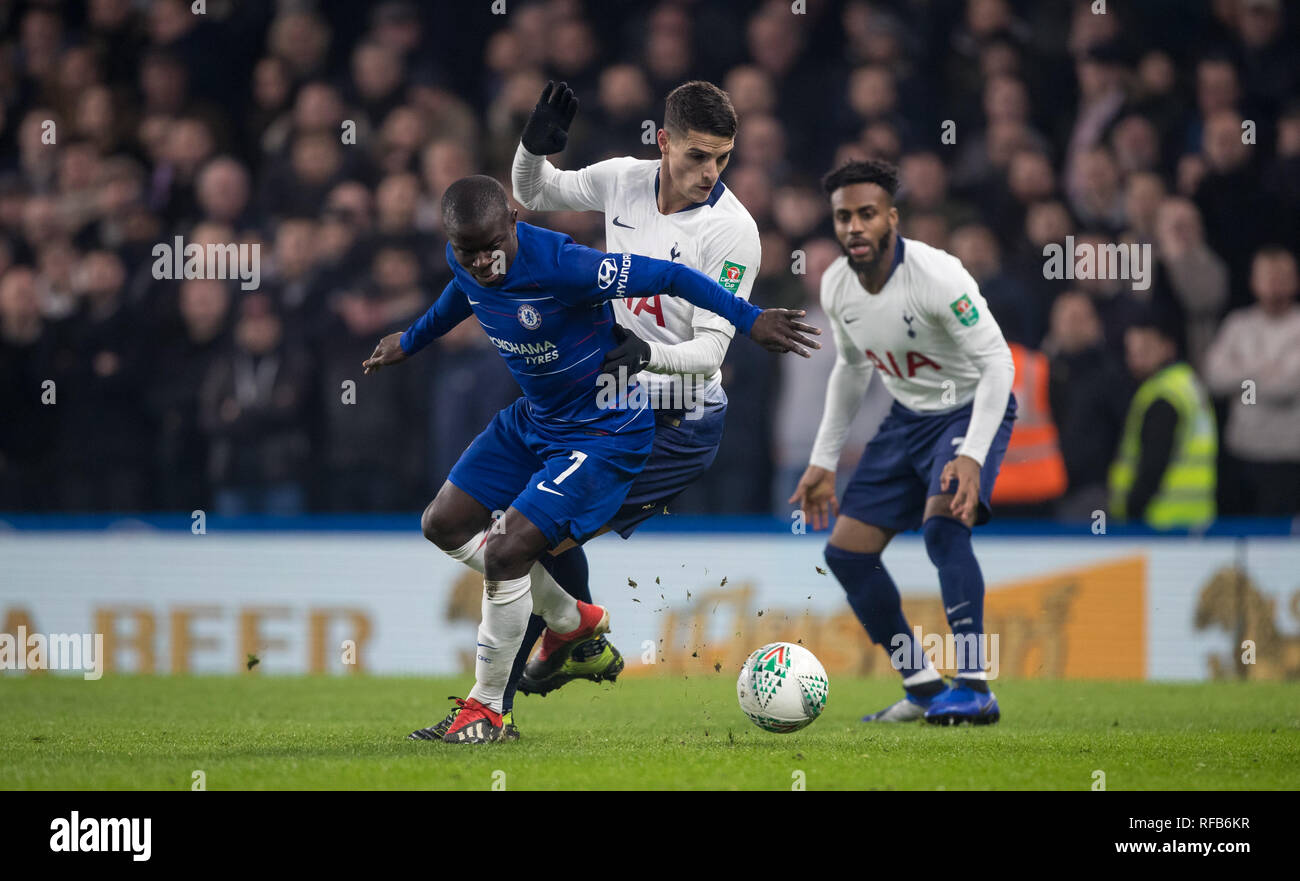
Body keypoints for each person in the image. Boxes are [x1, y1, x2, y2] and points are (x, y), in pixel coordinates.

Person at [362, 175, 815, 743]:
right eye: (466, 252)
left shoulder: (566, 265)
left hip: (602, 429)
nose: (482, 264)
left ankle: (487, 711)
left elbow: (671, 275)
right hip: (534, 419)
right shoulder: (468, 261)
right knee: (442, 523)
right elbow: (462, 295)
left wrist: (750, 321)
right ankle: (575, 620)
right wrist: (410, 340)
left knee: (510, 550)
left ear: (514, 224)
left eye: (491, 249)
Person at [494, 80, 764, 720]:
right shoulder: (623, 179)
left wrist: (645, 356)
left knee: (528, 535)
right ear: (663, 141)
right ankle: (577, 637)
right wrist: (533, 147)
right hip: (612, 402)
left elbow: (710, 357)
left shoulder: (733, 233)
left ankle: (499, 702)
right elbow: (532, 194)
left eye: (722, 158)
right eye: (698, 155)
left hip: (680, 421)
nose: (710, 172)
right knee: (533, 524)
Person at [788, 159, 1016, 725]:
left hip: (966, 410)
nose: (854, 227)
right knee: (846, 554)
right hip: (906, 417)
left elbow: (998, 364)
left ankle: (976, 686)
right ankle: (923, 686)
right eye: (844, 217)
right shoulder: (837, 284)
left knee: (943, 530)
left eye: (867, 214)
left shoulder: (939, 276)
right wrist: (823, 462)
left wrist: (971, 453)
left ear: (891, 217)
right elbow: (850, 369)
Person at [1203, 246, 1300, 515]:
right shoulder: (1238, 325)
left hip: (1288, 457)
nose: (1273, 283)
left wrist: (1243, 373)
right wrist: (1264, 371)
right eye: (1267, 275)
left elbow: (1287, 387)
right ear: (1253, 281)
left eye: (1281, 275)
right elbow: (1214, 377)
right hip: (1241, 452)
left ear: (1295, 280)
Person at [1108, 307, 1217, 529]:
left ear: (1168, 347)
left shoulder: (1164, 395)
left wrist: (1131, 509)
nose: (1136, 359)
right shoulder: (1188, 384)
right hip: (1195, 518)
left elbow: (1153, 465)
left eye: (1145, 349)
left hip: (1159, 521)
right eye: (1132, 351)